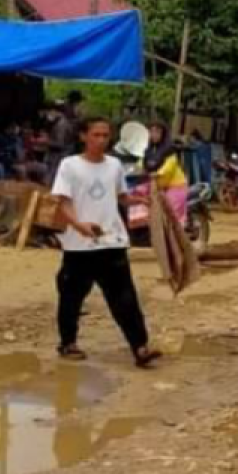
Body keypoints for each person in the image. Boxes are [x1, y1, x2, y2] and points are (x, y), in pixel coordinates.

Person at [51, 116, 161, 368]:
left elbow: (121, 197)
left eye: (105, 135)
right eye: (96, 135)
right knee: (71, 296)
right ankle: (68, 342)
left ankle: (140, 347)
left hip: (112, 240)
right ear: (83, 136)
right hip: (79, 244)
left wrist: (139, 201)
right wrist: (79, 225)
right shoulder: (70, 165)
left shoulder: (114, 166)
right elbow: (62, 202)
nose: (101, 140)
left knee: (125, 297)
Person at [143, 122, 189, 225]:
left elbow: (170, 165)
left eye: (157, 132)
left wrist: (158, 173)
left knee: (170, 214)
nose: (154, 134)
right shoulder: (148, 150)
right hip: (158, 186)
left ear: (163, 134)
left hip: (175, 186)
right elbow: (142, 164)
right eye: (152, 131)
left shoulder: (170, 149)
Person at [45, 103, 75, 183]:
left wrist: (46, 141)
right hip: (60, 156)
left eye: (49, 111)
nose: (48, 113)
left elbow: (59, 144)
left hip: (59, 157)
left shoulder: (61, 125)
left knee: (51, 180)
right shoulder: (61, 123)